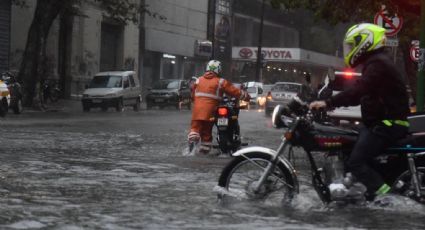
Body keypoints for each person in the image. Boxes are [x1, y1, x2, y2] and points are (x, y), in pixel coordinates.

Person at [309, 23, 410, 200]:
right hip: (377, 124)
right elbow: (360, 96)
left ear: (365, 42)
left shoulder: (379, 64)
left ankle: (388, 199)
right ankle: (349, 191)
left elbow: (359, 90)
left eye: (353, 44)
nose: (351, 49)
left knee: (356, 162)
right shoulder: (376, 63)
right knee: (346, 145)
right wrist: (331, 104)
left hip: (388, 125)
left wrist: (327, 102)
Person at [188, 60, 250, 155]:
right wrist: (246, 97)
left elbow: (192, 95)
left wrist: (196, 101)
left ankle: (191, 146)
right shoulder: (220, 81)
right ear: (219, 70)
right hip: (211, 111)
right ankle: (203, 152)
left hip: (197, 111)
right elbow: (234, 91)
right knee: (206, 132)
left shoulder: (198, 80)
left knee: (195, 129)